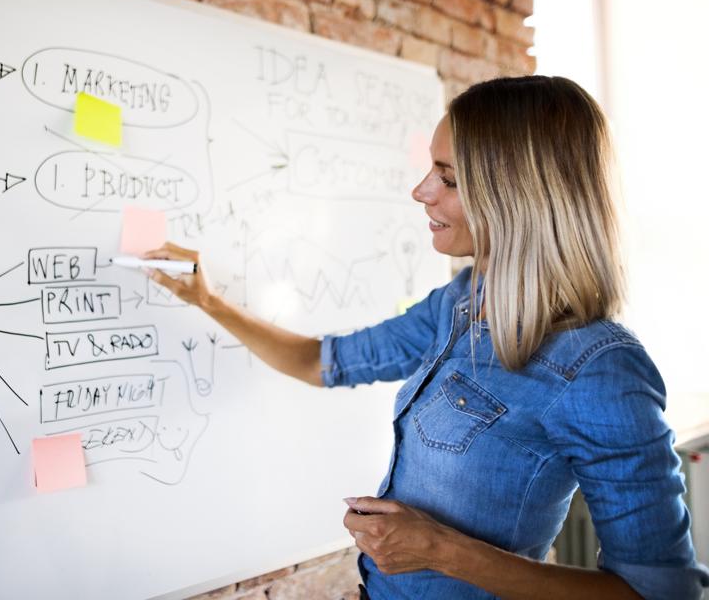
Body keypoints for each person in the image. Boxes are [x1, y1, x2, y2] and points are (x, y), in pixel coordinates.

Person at [145, 76, 709, 599]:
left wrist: (441, 550)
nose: (421, 191)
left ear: (519, 196)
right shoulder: (459, 304)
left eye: (449, 178)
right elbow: (324, 361)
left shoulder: (598, 368)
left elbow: (661, 592)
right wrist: (208, 300)